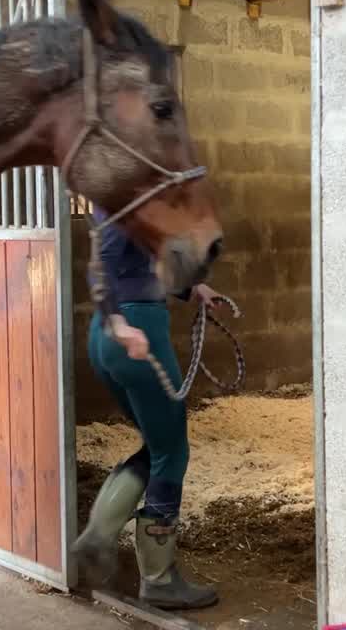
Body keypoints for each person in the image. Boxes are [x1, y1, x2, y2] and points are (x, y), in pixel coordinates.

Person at [72, 206, 221, 611]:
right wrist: (123, 324)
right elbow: (111, 266)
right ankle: (158, 579)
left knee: (157, 446)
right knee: (172, 452)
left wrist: (193, 290)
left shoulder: (118, 201)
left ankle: (99, 534)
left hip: (104, 337)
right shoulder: (133, 201)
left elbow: (135, 265)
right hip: (137, 331)